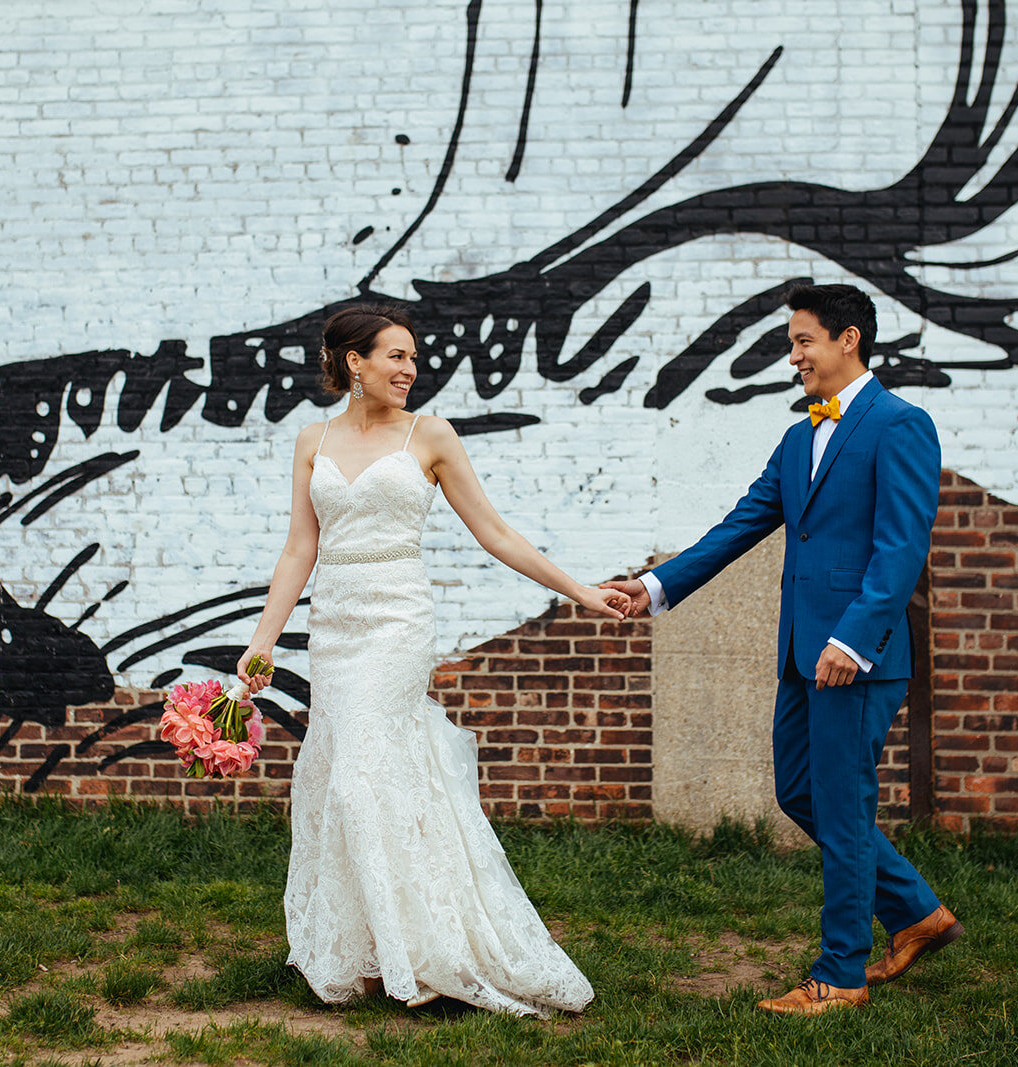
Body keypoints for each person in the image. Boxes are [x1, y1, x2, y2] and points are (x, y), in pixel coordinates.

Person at [234, 305, 620, 1017]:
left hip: (396, 625)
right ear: (355, 362)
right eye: (396, 356)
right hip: (336, 628)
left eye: (413, 358)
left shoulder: (431, 435)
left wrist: (580, 590)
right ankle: (382, 948)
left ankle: (431, 946)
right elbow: (300, 547)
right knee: (356, 775)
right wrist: (263, 638)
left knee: (357, 777)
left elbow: (496, 533)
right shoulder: (311, 440)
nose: (410, 370)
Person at [603, 283, 961, 1016]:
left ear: (849, 339)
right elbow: (741, 524)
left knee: (842, 800)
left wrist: (853, 640)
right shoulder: (801, 435)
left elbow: (900, 549)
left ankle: (839, 975)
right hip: (801, 652)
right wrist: (654, 586)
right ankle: (917, 910)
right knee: (801, 791)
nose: (793, 355)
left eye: (804, 340)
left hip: (855, 657)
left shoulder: (900, 424)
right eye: (793, 342)